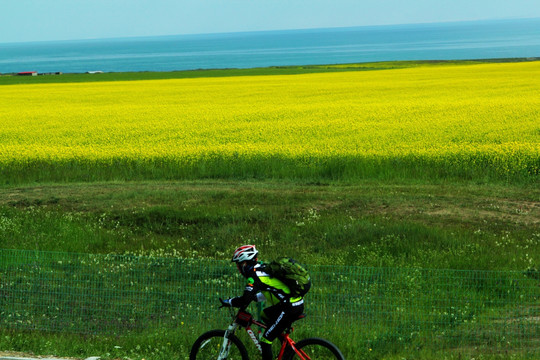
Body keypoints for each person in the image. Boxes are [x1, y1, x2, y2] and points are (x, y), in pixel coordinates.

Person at [220, 245, 305, 360]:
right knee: (265, 315)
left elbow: (244, 299)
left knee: (265, 341)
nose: (238, 269)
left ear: (245, 263)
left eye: (239, 265)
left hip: (289, 307)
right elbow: (271, 289)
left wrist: (229, 301)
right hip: (292, 303)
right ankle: (286, 349)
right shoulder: (261, 267)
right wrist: (254, 298)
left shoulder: (255, 276)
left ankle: (285, 349)